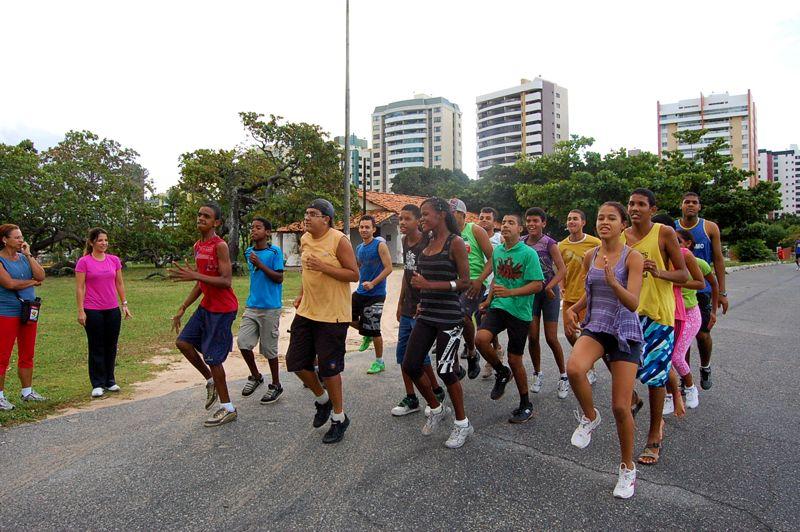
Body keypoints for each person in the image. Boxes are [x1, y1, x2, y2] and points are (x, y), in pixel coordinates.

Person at [564, 202, 644, 499]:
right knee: (574, 369)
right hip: (598, 325)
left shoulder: (633, 257)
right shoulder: (591, 255)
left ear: (623, 224)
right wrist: (573, 308)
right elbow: (591, 291)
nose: (604, 222)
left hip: (624, 330)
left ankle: (627, 468)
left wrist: (614, 282)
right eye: (600, 218)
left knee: (621, 407)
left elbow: (633, 302)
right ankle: (589, 416)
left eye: (612, 218)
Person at [402, 197, 474, 449]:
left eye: (425, 214)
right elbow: (421, 277)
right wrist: (421, 299)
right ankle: (436, 407)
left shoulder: (455, 243)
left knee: (445, 370)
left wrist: (430, 285)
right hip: (427, 313)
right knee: (410, 364)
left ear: (442, 214)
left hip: (449, 316)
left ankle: (462, 424)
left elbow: (465, 282)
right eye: (421, 214)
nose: (422, 218)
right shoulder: (428, 241)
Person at [287, 198, 359, 444]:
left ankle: (339, 418)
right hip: (307, 311)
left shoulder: (339, 240)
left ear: (326, 219)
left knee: (330, 369)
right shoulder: (306, 239)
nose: (306, 217)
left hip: (333, 315)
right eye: (306, 213)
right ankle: (322, 400)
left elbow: (354, 274)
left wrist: (324, 266)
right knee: (295, 362)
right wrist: (301, 294)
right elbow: (308, 273)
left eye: (312, 214)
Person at [624, 189, 688, 466]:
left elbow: (683, 274)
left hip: (658, 315)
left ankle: (653, 436)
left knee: (655, 378)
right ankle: (633, 399)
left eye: (641, 204)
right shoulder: (622, 236)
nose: (634, 208)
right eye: (631, 203)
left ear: (652, 209)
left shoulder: (664, 233)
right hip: (629, 314)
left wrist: (658, 271)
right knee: (618, 363)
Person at [169, 202, 239, 427]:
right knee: (183, 342)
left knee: (213, 358)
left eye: (206, 216)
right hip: (206, 306)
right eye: (199, 215)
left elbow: (226, 281)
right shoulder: (198, 246)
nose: (201, 218)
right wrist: (184, 306)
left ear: (216, 222)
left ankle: (228, 408)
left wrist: (195, 275)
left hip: (223, 309)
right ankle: (210, 380)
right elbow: (201, 283)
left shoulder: (220, 246)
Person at [475, 213, 544, 423]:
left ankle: (526, 404)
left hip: (520, 312)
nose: (505, 225)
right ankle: (501, 371)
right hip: (499, 306)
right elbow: (497, 277)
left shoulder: (529, 253)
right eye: (504, 222)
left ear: (520, 229)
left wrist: (511, 293)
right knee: (480, 340)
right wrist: (488, 300)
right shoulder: (498, 251)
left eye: (511, 223)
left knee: (515, 360)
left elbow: (537, 284)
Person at [392, 204, 445, 416]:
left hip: (423, 307)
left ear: (418, 221)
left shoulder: (427, 241)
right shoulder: (404, 241)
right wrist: (400, 303)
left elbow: (432, 276)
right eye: (400, 219)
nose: (402, 223)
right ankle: (411, 397)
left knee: (419, 356)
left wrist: (426, 302)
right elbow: (407, 275)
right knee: (402, 355)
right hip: (408, 307)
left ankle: (436, 391)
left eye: (407, 218)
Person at [675, 192, 727, 389]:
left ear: (699, 206)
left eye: (694, 202)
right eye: (686, 202)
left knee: (703, 334)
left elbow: (719, 259)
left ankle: (705, 366)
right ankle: (684, 376)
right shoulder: (672, 228)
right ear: (681, 205)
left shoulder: (709, 227)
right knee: (682, 337)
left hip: (701, 289)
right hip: (679, 288)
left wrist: (722, 293)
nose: (690, 205)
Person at [75, 228, 132, 398]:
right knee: (96, 346)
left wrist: (124, 304)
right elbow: (80, 287)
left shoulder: (114, 260)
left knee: (111, 345)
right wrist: (80, 310)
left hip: (112, 309)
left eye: (106, 240)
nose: (104, 243)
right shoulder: (84, 262)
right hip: (92, 310)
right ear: (92, 242)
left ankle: (110, 380)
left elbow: (119, 283)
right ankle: (97, 383)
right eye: (100, 240)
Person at [522, 207, 569, 398]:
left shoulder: (549, 243)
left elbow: (562, 269)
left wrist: (550, 287)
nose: (531, 224)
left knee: (551, 337)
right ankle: (537, 373)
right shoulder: (521, 243)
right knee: (532, 337)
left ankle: (563, 376)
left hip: (549, 293)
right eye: (529, 220)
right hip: (531, 294)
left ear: (543, 223)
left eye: (536, 221)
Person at [237, 218, 284, 404]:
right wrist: (256, 262)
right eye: (252, 227)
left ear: (267, 232)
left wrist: (261, 264)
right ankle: (256, 376)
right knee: (242, 342)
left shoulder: (275, 252)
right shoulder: (249, 252)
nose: (254, 230)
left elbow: (279, 278)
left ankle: (276, 384)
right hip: (252, 306)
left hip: (270, 307)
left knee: (269, 349)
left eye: (258, 228)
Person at [0, 224, 46, 410]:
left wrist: (28, 255)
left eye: (21, 237)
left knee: (27, 352)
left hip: (29, 310)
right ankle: (0, 396)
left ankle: (27, 391)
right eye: (17, 237)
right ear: (5, 240)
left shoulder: (24, 258)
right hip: (6, 312)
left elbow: (41, 275)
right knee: (3, 355)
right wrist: (32, 282)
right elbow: (9, 284)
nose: (21, 240)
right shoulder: (1, 261)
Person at [672, 229, 718, 409]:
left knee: (701, 337)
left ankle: (702, 371)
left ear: (688, 244)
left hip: (692, 310)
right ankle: (677, 388)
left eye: (678, 241)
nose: (673, 245)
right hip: (671, 313)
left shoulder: (698, 263)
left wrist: (714, 310)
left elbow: (711, 284)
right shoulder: (666, 262)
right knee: (675, 353)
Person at [449, 198, 493, 379]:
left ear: (462, 214)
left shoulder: (475, 230)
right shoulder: (445, 233)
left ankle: (472, 351)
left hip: (473, 282)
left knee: (463, 316)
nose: (449, 216)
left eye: (453, 213)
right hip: (452, 283)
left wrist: (480, 280)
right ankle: (455, 365)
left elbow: (492, 258)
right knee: (447, 322)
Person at [558, 209, 601, 384]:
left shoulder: (595, 243)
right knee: (569, 333)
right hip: (569, 297)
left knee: (586, 335)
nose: (571, 221)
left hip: (587, 297)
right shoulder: (562, 246)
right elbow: (560, 269)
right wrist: (561, 286)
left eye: (575, 218)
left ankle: (588, 367)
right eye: (569, 219)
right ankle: (584, 359)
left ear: (583, 222)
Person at [352, 215, 393, 374]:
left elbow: (388, 268)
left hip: (376, 293)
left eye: (367, 227)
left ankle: (379, 362)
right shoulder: (359, 248)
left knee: (375, 329)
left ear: (374, 229)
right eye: (361, 227)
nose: (364, 230)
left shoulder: (380, 245)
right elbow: (359, 266)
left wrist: (373, 283)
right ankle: (366, 333)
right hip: (361, 292)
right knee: (345, 316)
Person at [478, 206, 505, 379]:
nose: (484, 220)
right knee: (481, 323)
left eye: (488, 218)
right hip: (478, 284)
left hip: (494, 285)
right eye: (482, 217)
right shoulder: (474, 237)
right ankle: (496, 349)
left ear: (495, 222)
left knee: (485, 320)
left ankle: (491, 359)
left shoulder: (499, 238)